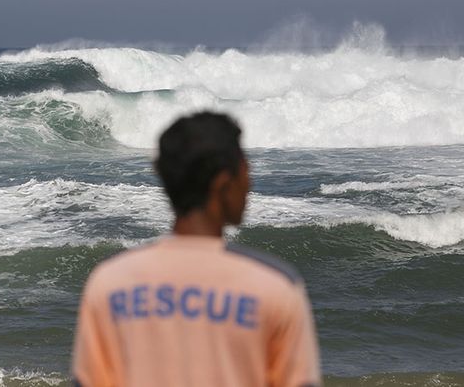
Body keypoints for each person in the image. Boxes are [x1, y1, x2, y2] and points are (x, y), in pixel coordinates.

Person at [72, 112, 321, 387]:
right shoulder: (274, 287)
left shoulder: (110, 283)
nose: (249, 184)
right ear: (223, 184)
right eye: (246, 171)